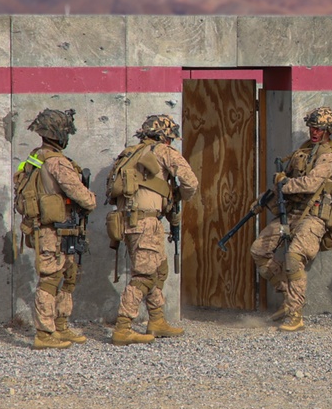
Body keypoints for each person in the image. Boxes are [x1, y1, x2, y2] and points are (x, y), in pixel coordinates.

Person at [250, 106, 332, 332]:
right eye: (312, 127)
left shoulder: (329, 156)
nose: (314, 132)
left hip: (315, 214)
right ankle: (288, 295)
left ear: (328, 130)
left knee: (294, 257)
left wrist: (284, 184)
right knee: (259, 251)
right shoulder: (304, 151)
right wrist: (263, 199)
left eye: (319, 128)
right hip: (293, 211)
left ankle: (295, 314)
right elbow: (288, 179)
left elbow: (311, 184)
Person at [108, 114, 199, 346]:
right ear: (165, 137)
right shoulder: (163, 151)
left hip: (127, 222)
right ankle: (123, 326)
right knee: (145, 276)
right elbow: (191, 182)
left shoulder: (129, 153)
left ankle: (157, 320)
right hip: (147, 223)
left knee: (159, 269)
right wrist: (179, 196)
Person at [18, 108, 96, 350]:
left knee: (67, 277)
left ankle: (60, 326)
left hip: (52, 229)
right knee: (51, 280)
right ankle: (44, 333)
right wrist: (90, 199)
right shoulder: (57, 162)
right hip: (54, 231)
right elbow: (84, 197)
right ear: (59, 134)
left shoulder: (33, 159)